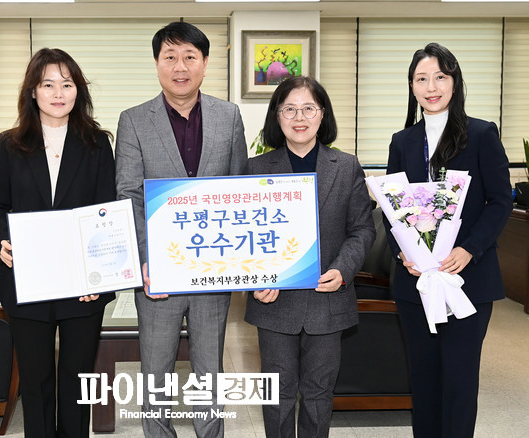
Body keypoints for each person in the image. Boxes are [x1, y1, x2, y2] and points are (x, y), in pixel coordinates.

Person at [115, 21, 247, 438]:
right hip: (159, 273)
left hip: (213, 270)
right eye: (170, 57)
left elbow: (239, 190)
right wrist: (144, 260)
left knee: (210, 373)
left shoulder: (229, 116)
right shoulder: (134, 120)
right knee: (156, 373)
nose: (180, 66)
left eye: (190, 56)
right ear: (157, 64)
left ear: (205, 63)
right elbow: (129, 195)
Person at [0, 48, 116, 438]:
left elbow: (107, 212)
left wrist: (99, 274)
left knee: (78, 378)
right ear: (33, 91)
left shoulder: (97, 144)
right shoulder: (9, 145)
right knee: (36, 379)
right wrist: (4, 239)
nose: (58, 93)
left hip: (82, 282)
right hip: (29, 278)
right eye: (48, 84)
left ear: (78, 91)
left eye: (67, 84)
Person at [386, 42, 513, 438]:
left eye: (440, 77)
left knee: (459, 381)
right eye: (421, 79)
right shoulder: (402, 141)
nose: (431, 87)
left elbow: (500, 201)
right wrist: (403, 253)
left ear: (454, 82)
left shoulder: (481, 134)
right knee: (423, 382)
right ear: (411, 86)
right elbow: (392, 207)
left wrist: (469, 248)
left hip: (466, 281)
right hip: (416, 284)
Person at [245, 76, 375, 438]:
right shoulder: (255, 168)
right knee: (277, 394)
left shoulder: (346, 166)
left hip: (327, 300)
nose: (299, 117)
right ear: (277, 116)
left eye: (308, 108)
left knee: (318, 394)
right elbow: (245, 236)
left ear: (323, 115)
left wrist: (343, 270)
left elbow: (362, 230)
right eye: (289, 109)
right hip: (274, 302)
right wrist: (256, 279)